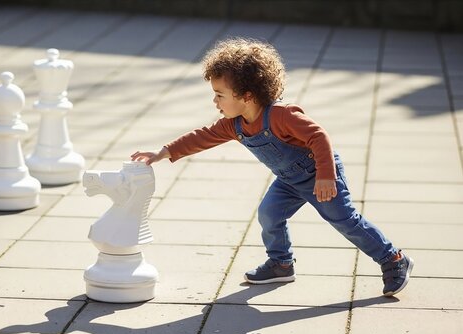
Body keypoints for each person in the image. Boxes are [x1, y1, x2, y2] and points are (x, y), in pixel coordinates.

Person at [130, 37, 413, 297]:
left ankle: (394, 260)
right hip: (289, 180)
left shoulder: (281, 115)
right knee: (269, 214)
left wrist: (326, 176)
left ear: (247, 96)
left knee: (344, 220)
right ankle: (281, 264)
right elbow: (201, 137)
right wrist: (163, 152)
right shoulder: (234, 124)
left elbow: (318, 137)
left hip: (319, 175)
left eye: (219, 95)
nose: (214, 101)